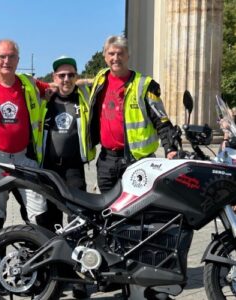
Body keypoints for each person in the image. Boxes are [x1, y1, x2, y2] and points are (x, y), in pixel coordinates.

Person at [0, 39, 50, 242]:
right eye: (2, 56)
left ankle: (37, 266)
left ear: (18, 60)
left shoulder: (29, 84)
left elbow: (57, 87)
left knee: (38, 215)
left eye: (11, 56)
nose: (6, 61)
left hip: (25, 158)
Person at [37, 56, 96, 299]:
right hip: (49, 168)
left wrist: (81, 81)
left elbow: (105, 77)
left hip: (74, 169)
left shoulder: (83, 97)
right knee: (49, 220)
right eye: (61, 75)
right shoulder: (45, 100)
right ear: (53, 78)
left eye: (71, 75)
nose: (66, 79)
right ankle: (52, 274)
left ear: (77, 76)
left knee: (77, 222)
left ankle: (79, 276)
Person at [88, 35, 177, 193]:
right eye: (111, 54)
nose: (116, 58)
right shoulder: (100, 79)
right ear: (104, 56)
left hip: (138, 161)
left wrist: (170, 148)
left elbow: (161, 120)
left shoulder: (145, 85)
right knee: (108, 211)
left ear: (128, 55)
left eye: (120, 53)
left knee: (138, 212)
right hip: (107, 160)